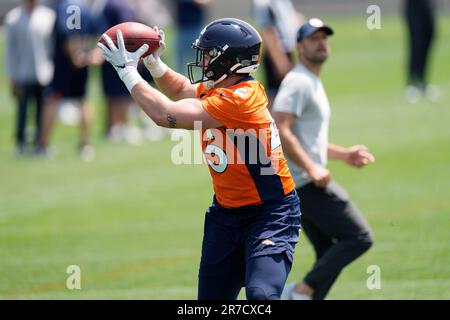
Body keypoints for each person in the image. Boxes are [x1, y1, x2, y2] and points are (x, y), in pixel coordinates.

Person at [97, 18, 301, 299]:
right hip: (226, 215)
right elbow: (181, 90)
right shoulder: (224, 88)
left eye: (208, 55)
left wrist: (128, 72)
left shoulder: (240, 99)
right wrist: (154, 63)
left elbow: (165, 115)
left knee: (261, 296)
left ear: (230, 60)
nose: (203, 61)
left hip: (270, 213)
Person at [272, 18, 375, 300]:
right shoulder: (299, 81)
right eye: (313, 38)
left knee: (328, 249)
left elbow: (307, 140)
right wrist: (312, 168)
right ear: (299, 46)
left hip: (299, 182)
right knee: (359, 237)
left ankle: (303, 295)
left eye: (324, 37)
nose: (321, 42)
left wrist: (344, 155)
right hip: (304, 182)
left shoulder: (311, 81)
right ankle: (298, 292)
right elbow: (281, 129)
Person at [37, 0, 102, 160]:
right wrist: (94, 56)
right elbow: (99, 34)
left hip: (65, 63)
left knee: (52, 99)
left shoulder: (65, 7)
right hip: (83, 61)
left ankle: (43, 145)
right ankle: (85, 144)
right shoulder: (85, 7)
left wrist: (75, 56)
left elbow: (69, 34)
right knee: (82, 100)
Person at [4, 0, 55, 156]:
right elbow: (10, 51)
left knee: (42, 110)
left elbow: (51, 47)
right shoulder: (13, 18)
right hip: (22, 73)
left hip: (45, 73)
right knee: (22, 110)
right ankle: (20, 143)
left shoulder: (49, 16)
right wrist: (12, 75)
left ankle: (40, 144)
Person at [253, 0, 302, 109]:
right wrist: (280, 61)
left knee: (289, 93)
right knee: (275, 96)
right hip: (277, 53)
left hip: (288, 51)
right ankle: (269, 124)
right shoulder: (263, 3)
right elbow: (267, 30)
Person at [404, 0, 439, 103]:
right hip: (414, 5)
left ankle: (422, 80)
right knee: (417, 40)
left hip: (427, 3)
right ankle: (413, 82)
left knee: (430, 33)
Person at [174, 0, 211, 74]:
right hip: (182, 28)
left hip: (196, 27)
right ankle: (180, 78)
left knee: (200, 57)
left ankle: (200, 78)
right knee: (180, 60)